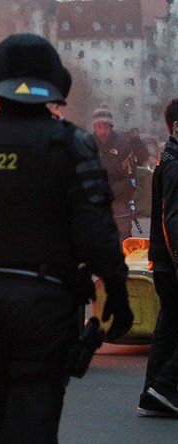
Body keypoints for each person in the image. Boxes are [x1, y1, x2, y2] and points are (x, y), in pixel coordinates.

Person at [0, 34, 133, 443]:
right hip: (46, 307)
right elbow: (96, 233)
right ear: (55, 87)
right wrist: (116, 296)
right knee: (34, 418)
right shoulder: (73, 146)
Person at [140, 98, 178, 417]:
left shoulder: (168, 158)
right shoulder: (175, 163)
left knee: (169, 324)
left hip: (165, 260)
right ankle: (165, 386)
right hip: (172, 259)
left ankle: (153, 392)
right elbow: (173, 219)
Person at [92, 106, 149, 241]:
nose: (102, 131)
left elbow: (130, 179)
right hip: (96, 201)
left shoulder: (123, 144)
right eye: (98, 127)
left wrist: (110, 192)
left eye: (105, 126)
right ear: (94, 127)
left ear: (111, 127)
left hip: (119, 200)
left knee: (122, 239)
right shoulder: (87, 144)